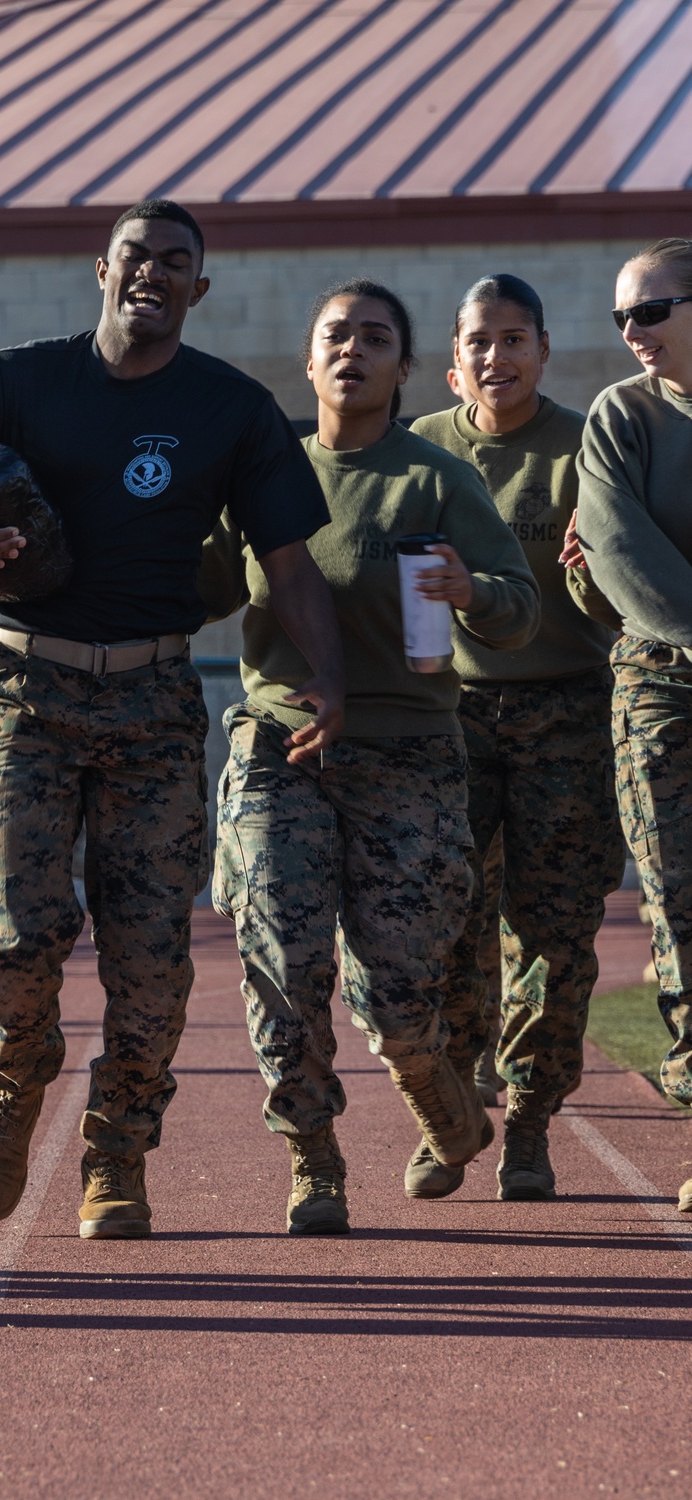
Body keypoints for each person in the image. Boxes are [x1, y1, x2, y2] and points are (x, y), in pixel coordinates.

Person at [0, 198, 345, 1238]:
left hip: (154, 697)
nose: (154, 273)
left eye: (176, 262)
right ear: (102, 268)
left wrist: (332, 674)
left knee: (150, 954)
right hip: (23, 689)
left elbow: (289, 564)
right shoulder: (15, 379)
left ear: (198, 288)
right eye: (136, 255)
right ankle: (11, 1081)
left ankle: (116, 1159)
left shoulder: (231, 407)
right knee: (17, 930)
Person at [203, 278, 539, 1233]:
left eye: (376, 338)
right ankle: (314, 1158)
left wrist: (473, 591)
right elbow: (203, 589)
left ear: (402, 366)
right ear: (308, 362)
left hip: (410, 753)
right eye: (335, 336)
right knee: (280, 955)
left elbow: (516, 610)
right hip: (282, 743)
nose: (353, 350)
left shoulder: (432, 477)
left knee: (394, 993)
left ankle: (436, 1090)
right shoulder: (268, 476)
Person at [411, 275, 624, 1201]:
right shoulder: (419, 448)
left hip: (566, 712)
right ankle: (452, 1110)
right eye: (478, 342)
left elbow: (625, 596)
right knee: (447, 927)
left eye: (513, 339)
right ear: (454, 361)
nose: (495, 358)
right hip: (449, 718)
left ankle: (531, 1121)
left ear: (544, 350)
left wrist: (596, 572)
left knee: (554, 932)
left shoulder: (586, 446)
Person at [573, 236, 692, 1215]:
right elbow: (617, 548)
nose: (630, 332)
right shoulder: (622, 417)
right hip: (661, 689)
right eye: (620, 317)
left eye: (649, 311)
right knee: (679, 908)